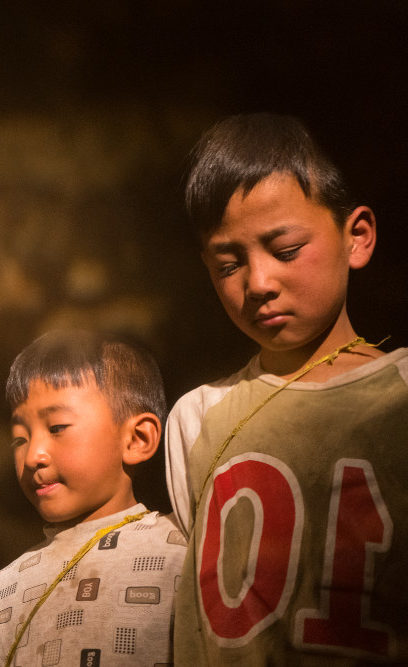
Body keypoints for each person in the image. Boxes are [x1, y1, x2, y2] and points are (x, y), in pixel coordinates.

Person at [165, 113, 408, 663]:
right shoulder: (197, 418)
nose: (258, 283)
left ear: (357, 237)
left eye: (287, 249)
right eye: (228, 264)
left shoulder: (400, 394)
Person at [0, 330, 186, 667]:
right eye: (20, 439)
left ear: (137, 439)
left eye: (57, 427)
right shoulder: (6, 585)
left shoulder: (182, 552)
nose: (33, 456)